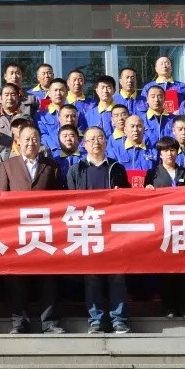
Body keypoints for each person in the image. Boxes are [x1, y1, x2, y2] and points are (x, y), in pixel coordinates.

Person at [0, 124, 65, 334]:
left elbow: (59, 200)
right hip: (16, 230)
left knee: (48, 278)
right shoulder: (8, 165)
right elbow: (1, 200)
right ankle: (19, 322)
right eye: (26, 139)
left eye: (34, 138)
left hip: (45, 230)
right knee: (17, 278)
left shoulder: (51, 166)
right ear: (18, 142)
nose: (30, 143)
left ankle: (50, 322)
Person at [66, 128, 130, 333]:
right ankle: (96, 320)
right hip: (88, 229)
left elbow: (128, 198)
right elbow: (69, 201)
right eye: (91, 139)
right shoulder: (76, 169)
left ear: (106, 142)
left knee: (117, 276)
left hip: (113, 231)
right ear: (84, 144)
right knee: (92, 277)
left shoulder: (116, 168)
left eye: (100, 138)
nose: (96, 142)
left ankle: (119, 319)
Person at [145, 136, 185, 319]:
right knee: (166, 269)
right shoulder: (152, 174)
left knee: (184, 269)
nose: (170, 153)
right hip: (163, 227)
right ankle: (169, 307)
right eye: (166, 150)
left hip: (184, 226)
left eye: (173, 150)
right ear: (160, 154)